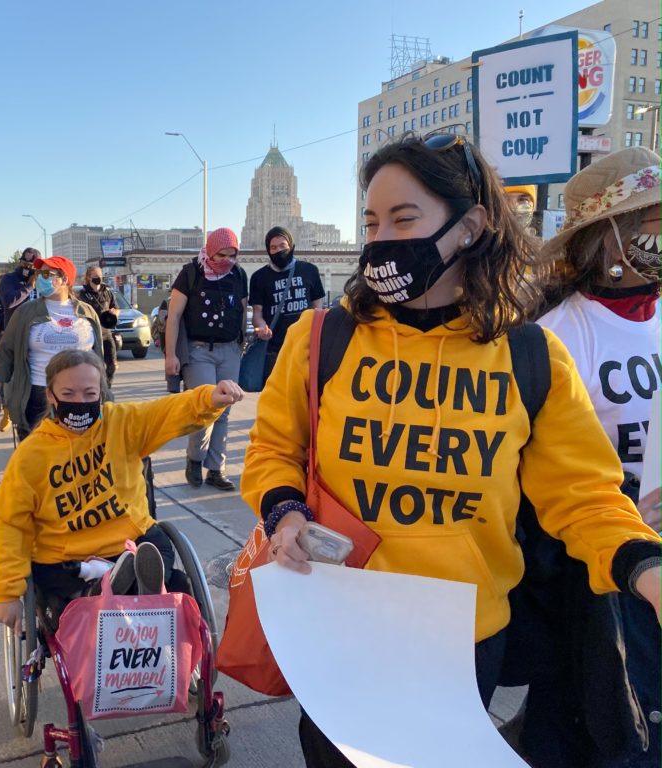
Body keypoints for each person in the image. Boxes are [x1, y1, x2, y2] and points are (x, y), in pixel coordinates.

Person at [241, 132, 662, 767]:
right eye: (372, 222)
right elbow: (273, 447)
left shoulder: (531, 356)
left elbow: (584, 495)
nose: (382, 239)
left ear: (470, 227)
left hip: (465, 638)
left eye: (404, 219)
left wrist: (644, 569)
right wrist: (284, 513)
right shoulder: (321, 337)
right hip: (339, 624)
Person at [506, 147, 662, 768]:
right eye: (652, 217)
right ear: (611, 238)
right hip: (593, 571)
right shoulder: (558, 335)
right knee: (603, 724)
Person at [0, 349, 243, 631]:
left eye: (89, 393)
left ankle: (117, 584)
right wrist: (7, 592)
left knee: (162, 561)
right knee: (66, 577)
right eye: (69, 394)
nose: (79, 402)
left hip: (132, 542)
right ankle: (116, 586)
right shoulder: (31, 455)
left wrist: (208, 398)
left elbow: (167, 412)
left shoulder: (122, 423)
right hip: (68, 560)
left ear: (101, 391)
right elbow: (10, 522)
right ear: (51, 395)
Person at [164, 227, 248, 491]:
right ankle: (195, 459)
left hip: (229, 350)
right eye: (221, 254)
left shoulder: (238, 274)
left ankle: (216, 469)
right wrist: (170, 355)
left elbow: (243, 309)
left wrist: (242, 343)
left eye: (232, 255)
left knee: (224, 411)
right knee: (204, 409)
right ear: (210, 250)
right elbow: (174, 317)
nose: (227, 260)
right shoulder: (191, 273)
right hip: (199, 351)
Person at [0, 255, 104, 439]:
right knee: (36, 458)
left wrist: (102, 393)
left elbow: (98, 358)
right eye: (38, 273)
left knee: (76, 455)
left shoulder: (87, 312)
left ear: (64, 278)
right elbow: (6, 353)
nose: (40, 278)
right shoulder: (25, 312)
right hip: (37, 395)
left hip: (79, 397)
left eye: (46, 273)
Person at [248, 226, 325, 385]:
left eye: (283, 246)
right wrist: (261, 327)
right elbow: (257, 314)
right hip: (274, 351)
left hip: (305, 348)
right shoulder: (259, 277)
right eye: (273, 247)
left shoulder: (309, 270)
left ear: (291, 245)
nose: (278, 251)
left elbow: (318, 309)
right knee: (276, 399)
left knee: (305, 396)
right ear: (268, 250)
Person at [78, 265, 120, 385]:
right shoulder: (82, 294)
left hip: (106, 334)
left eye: (100, 276)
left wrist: (114, 313)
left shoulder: (107, 292)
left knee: (112, 364)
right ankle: (97, 388)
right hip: (90, 335)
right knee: (96, 365)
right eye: (95, 277)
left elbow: (116, 308)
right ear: (88, 278)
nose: (98, 279)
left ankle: (107, 386)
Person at [0, 246, 40, 332]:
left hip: (38, 332)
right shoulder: (9, 279)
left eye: (30, 265)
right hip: (16, 332)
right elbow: (9, 302)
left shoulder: (42, 282)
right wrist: (29, 286)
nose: (27, 268)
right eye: (24, 263)